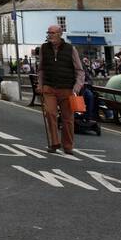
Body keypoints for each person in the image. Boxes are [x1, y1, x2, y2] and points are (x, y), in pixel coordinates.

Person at [38, 24, 85, 154]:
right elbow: (41, 68)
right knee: (50, 113)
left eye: (52, 33)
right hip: (49, 87)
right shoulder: (44, 48)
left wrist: (76, 87)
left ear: (60, 34)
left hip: (67, 88)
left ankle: (68, 146)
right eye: (49, 33)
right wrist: (40, 84)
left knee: (68, 118)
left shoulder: (71, 49)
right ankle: (54, 143)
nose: (50, 35)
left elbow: (80, 71)